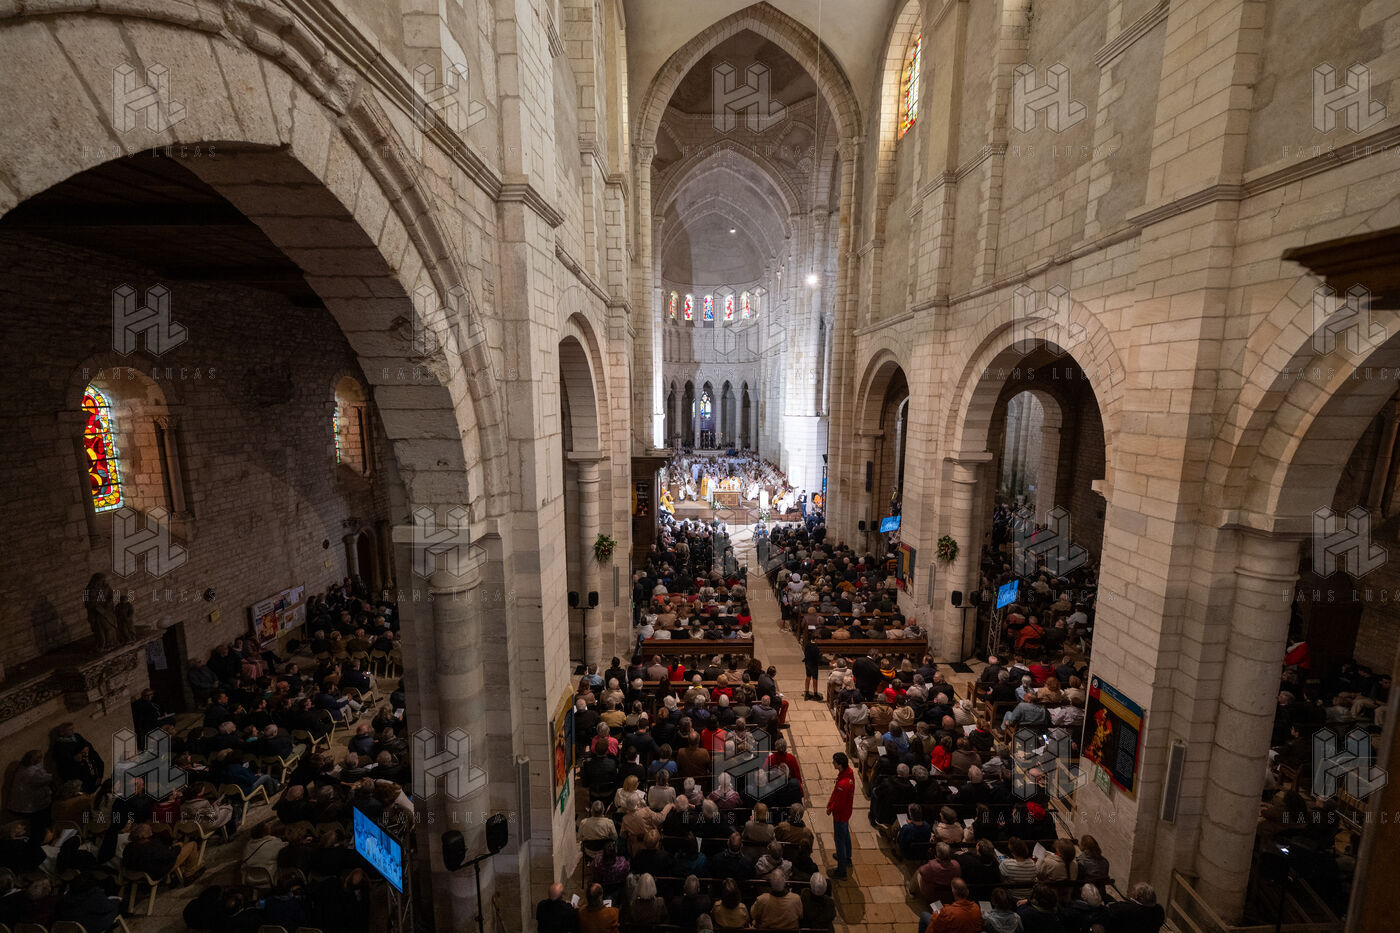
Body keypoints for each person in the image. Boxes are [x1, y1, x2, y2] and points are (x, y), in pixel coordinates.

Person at [918, 877, 982, 933]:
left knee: (924, 915)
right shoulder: (976, 907)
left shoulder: (948, 912)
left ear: (953, 891)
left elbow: (936, 928)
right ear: (967, 892)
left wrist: (935, 915)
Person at [827, 751, 855, 879]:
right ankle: (847, 858)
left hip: (840, 815)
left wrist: (830, 808)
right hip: (846, 813)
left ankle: (841, 871)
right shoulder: (849, 774)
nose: (832, 763)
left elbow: (839, 803)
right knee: (846, 836)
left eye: (834, 762)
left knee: (839, 842)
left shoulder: (843, 785)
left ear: (840, 765)